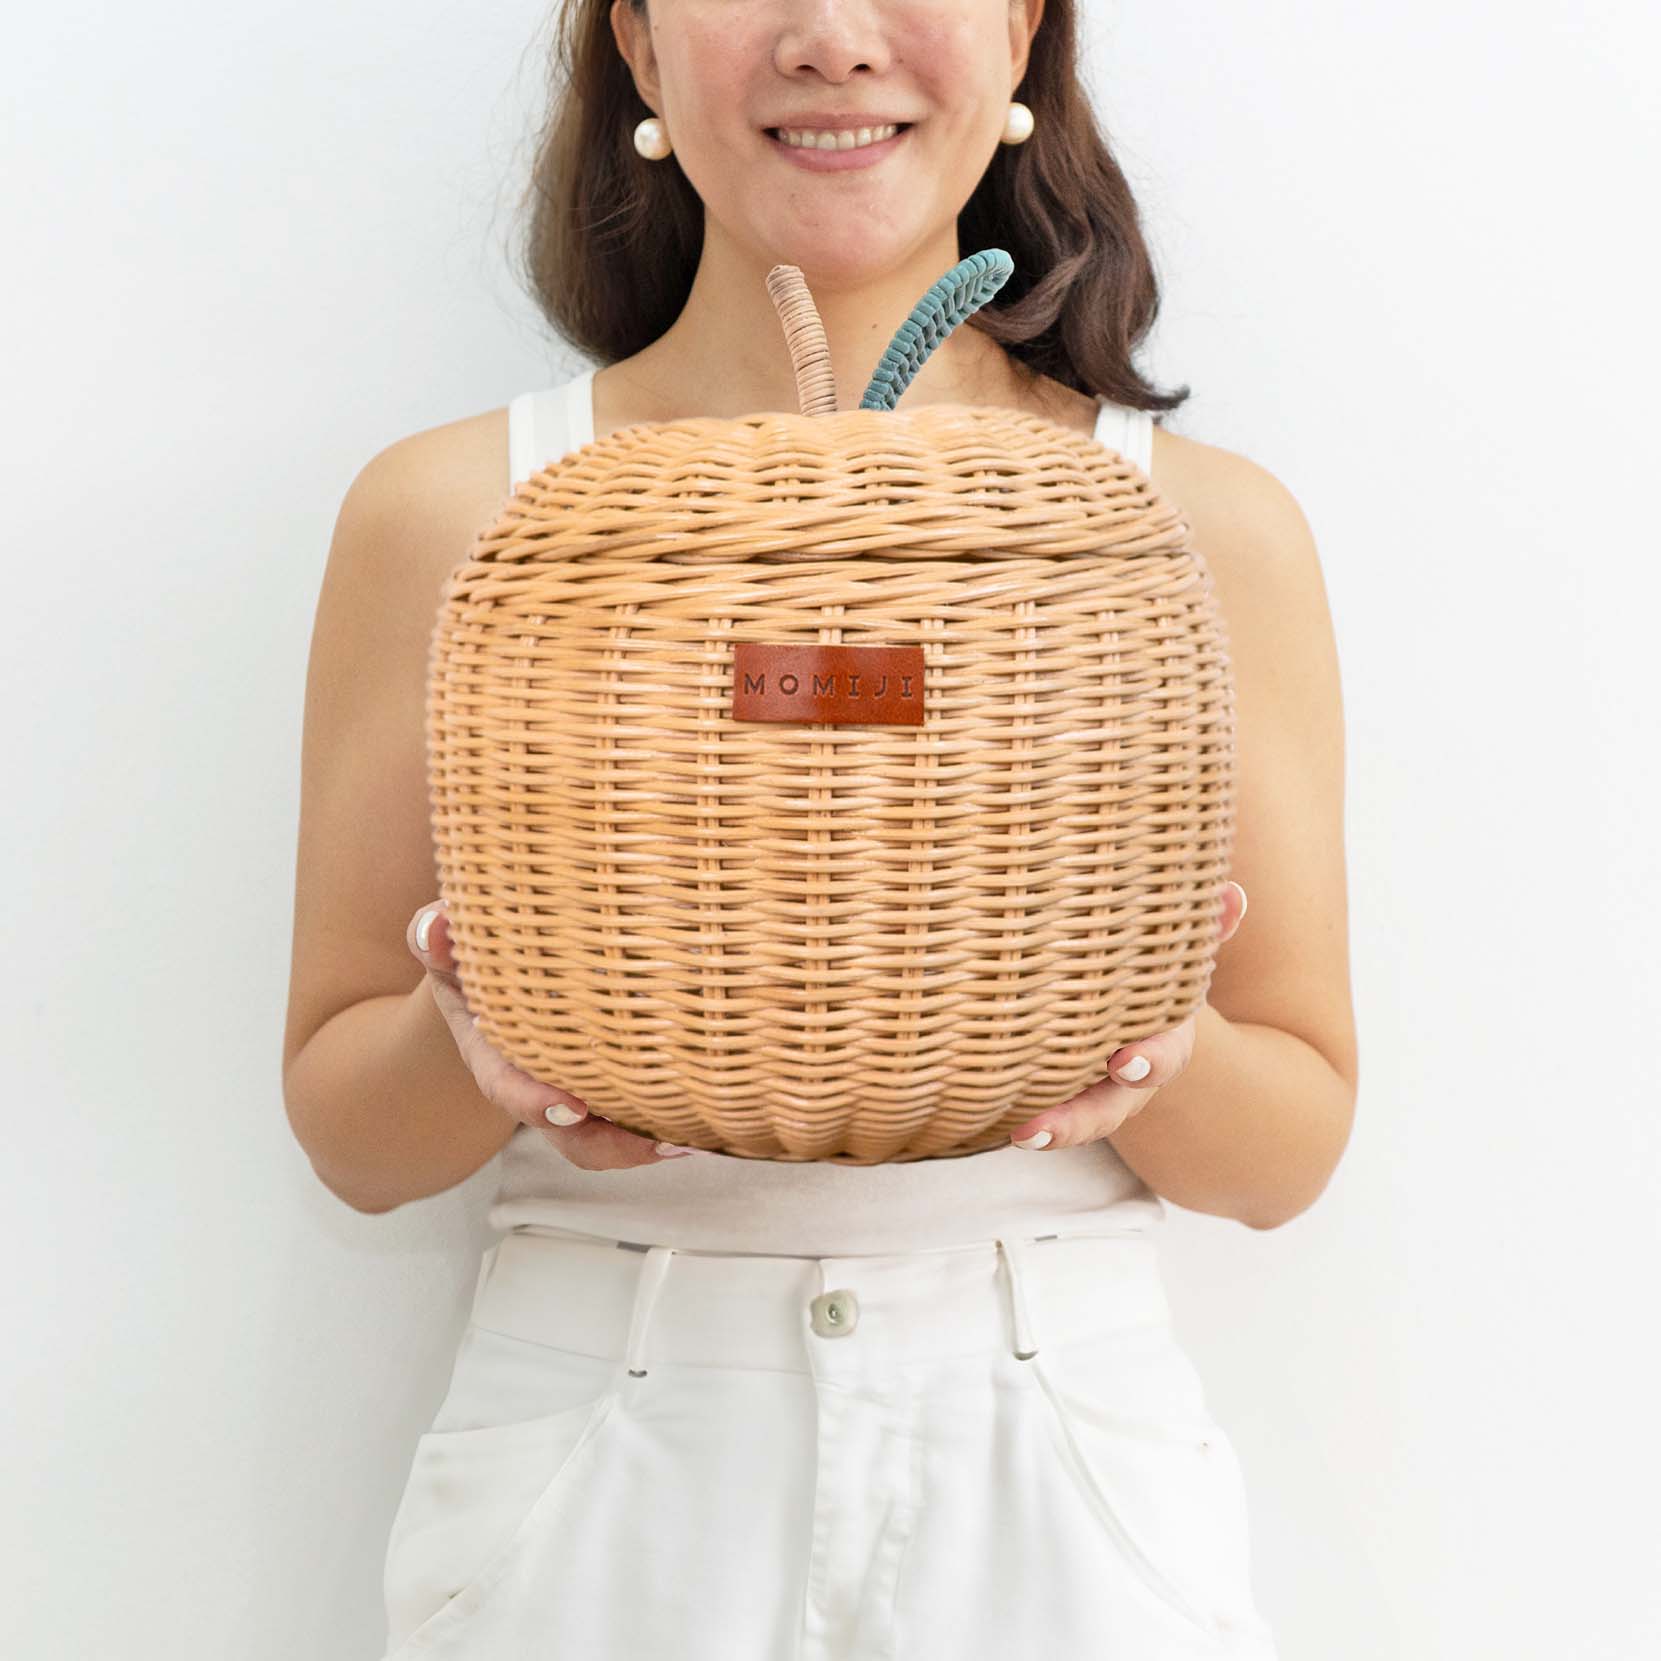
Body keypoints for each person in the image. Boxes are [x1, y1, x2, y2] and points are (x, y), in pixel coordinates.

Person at [281, 1, 1358, 1655]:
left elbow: (1289, 1146)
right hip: (603, 1452)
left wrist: (1148, 1034)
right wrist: (470, 1028)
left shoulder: (1188, 533)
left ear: (1021, 34)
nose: (835, 36)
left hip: (1049, 1448)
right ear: (638, 47)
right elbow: (350, 1135)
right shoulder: (464, 516)